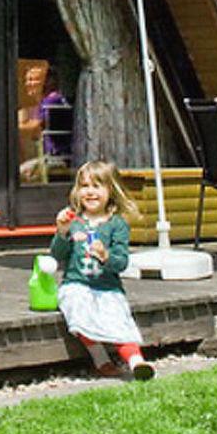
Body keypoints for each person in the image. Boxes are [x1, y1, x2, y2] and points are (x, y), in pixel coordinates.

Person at [48, 160, 153, 379]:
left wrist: (106, 256)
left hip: (107, 287)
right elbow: (58, 255)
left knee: (119, 321)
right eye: (85, 186)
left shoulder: (117, 225)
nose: (90, 192)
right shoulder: (74, 222)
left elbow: (121, 262)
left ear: (110, 190)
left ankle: (136, 362)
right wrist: (62, 232)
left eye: (97, 186)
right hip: (77, 284)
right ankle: (101, 360)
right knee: (79, 314)